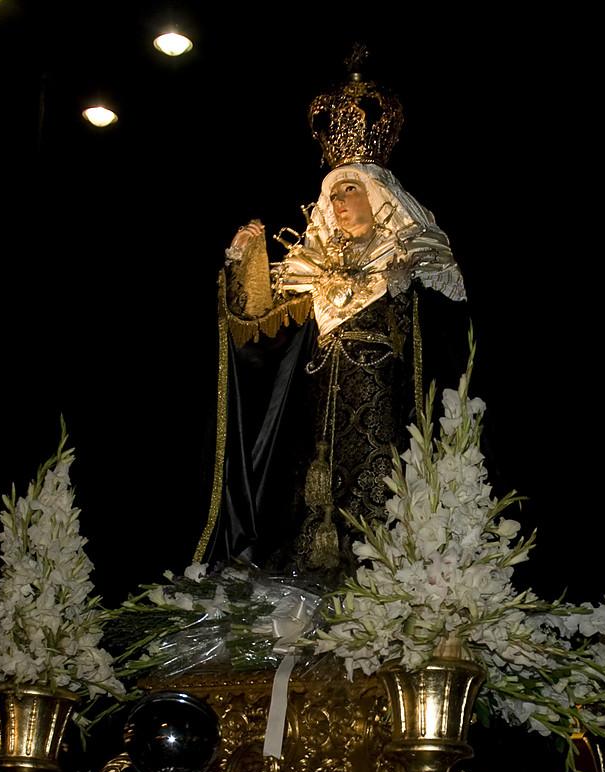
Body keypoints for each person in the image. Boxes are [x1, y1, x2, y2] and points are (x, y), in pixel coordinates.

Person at [197, 60, 466, 574]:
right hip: (318, 412)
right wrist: (247, 258)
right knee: (312, 501)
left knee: (379, 502)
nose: (340, 201)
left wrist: (406, 287)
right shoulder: (312, 263)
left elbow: (447, 338)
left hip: (387, 408)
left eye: (351, 189)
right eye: (334, 193)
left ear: (379, 192)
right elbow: (254, 320)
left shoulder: (414, 256)